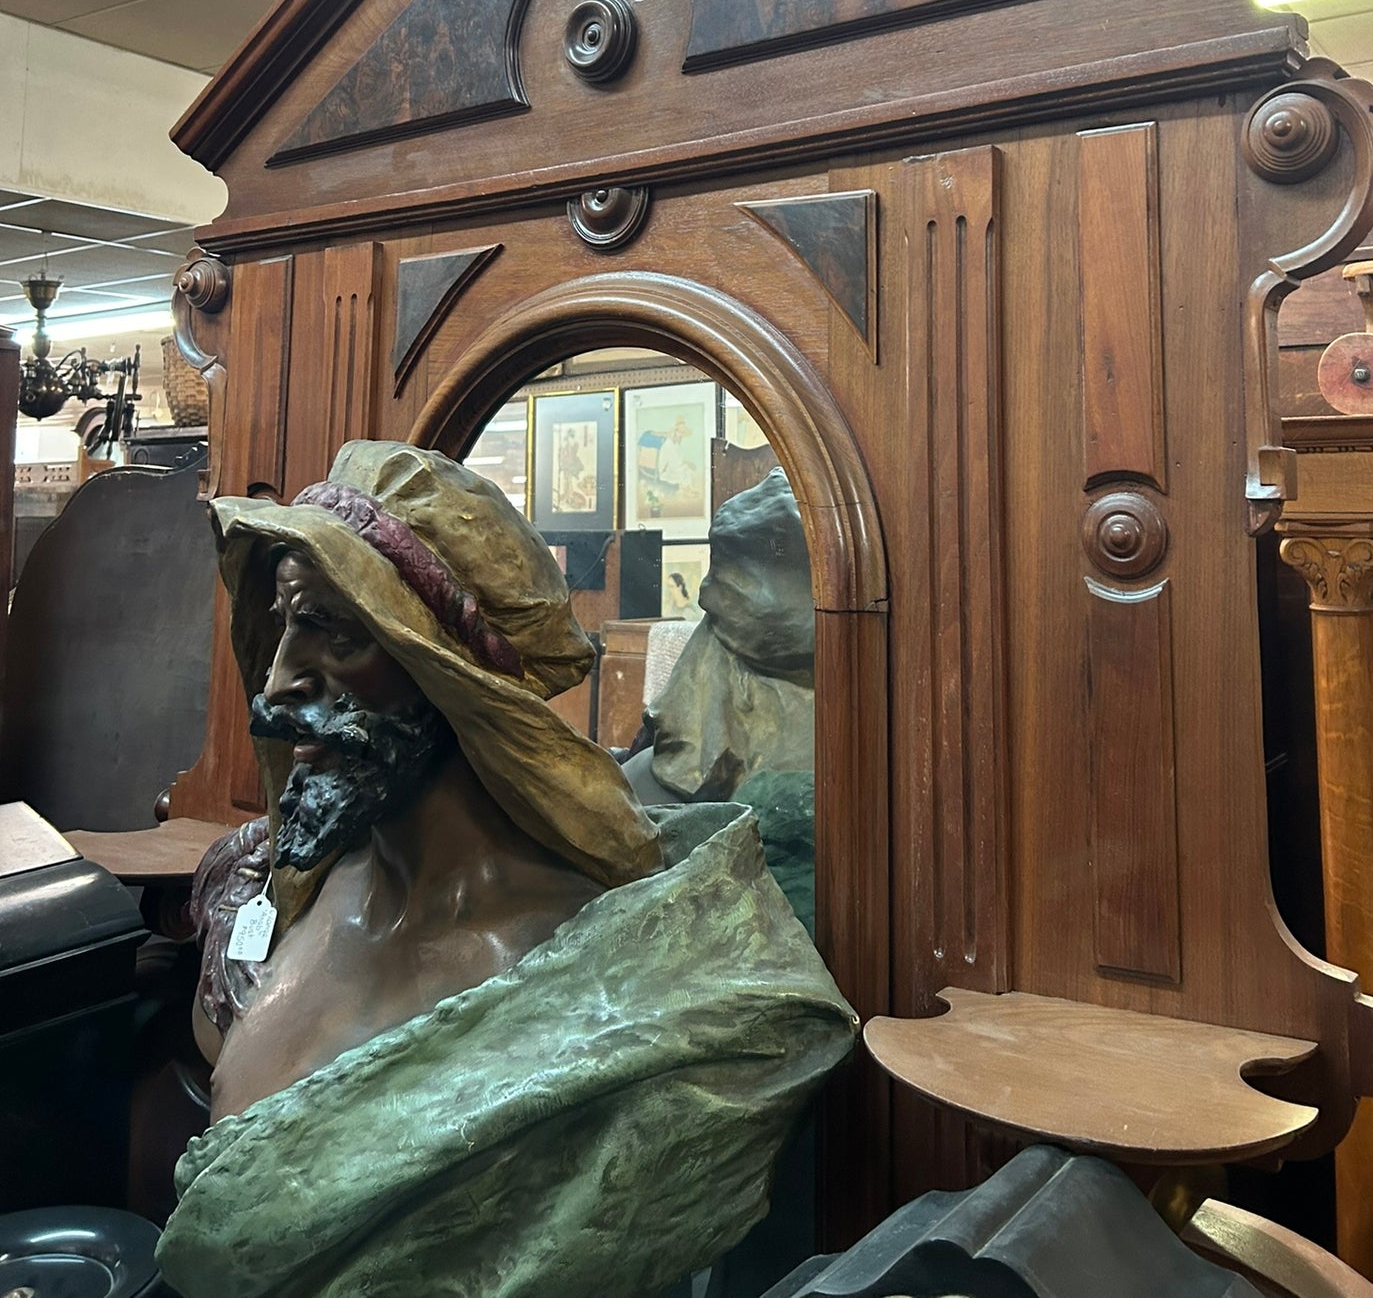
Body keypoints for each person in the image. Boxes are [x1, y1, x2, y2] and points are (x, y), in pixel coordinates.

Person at [159, 441, 855, 1298]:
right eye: (282, 624)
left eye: (331, 630)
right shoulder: (265, 894)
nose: (278, 679)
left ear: (449, 671)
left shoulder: (624, 996)